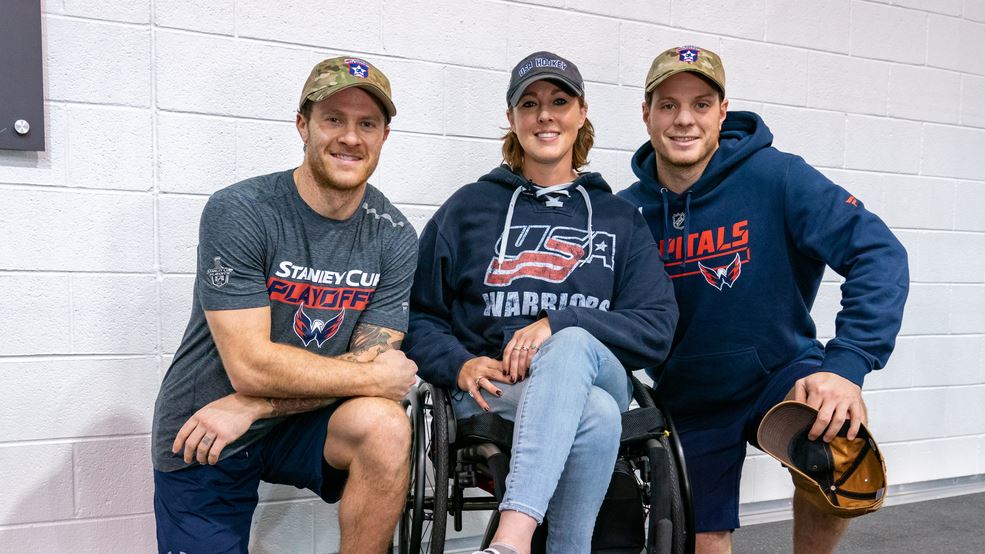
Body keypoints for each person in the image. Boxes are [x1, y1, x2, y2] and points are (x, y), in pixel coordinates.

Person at [618, 45, 909, 553]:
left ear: (723, 112)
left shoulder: (778, 178)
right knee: (705, 540)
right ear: (647, 114)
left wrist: (846, 366)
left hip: (778, 372)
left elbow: (879, 253)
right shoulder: (627, 213)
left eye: (701, 104)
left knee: (835, 452)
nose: (684, 120)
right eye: (668, 105)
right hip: (688, 396)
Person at [404, 51, 679, 554]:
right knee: (592, 412)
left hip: (599, 371)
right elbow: (422, 316)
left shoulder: (620, 219)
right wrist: (460, 364)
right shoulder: (467, 208)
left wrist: (559, 322)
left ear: (581, 112)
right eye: (529, 104)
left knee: (573, 344)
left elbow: (657, 328)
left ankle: (511, 539)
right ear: (512, 119)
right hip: (498, 387)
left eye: (559, 101)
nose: (545, 114)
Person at [151, 56, 419, 553]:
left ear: (384, 136)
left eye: (367, 124)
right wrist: (371, 378)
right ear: (303, 125)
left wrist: (256, 405)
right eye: (333, 119)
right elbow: (252, 366)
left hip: (296, 419)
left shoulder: (395, 236)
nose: (350, 137)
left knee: (385, 425)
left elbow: (374, 374)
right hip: (207, 424)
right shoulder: (242, 210)